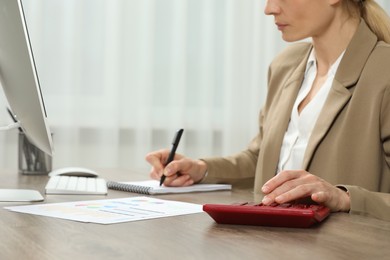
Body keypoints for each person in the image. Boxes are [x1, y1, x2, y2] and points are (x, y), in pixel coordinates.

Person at [146, 0, 390, 221]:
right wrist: (201, 169)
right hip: (274, 244)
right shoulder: (286, 65)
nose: (269, 8)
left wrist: (343, 198)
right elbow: (261, 159)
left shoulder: (383, 71)